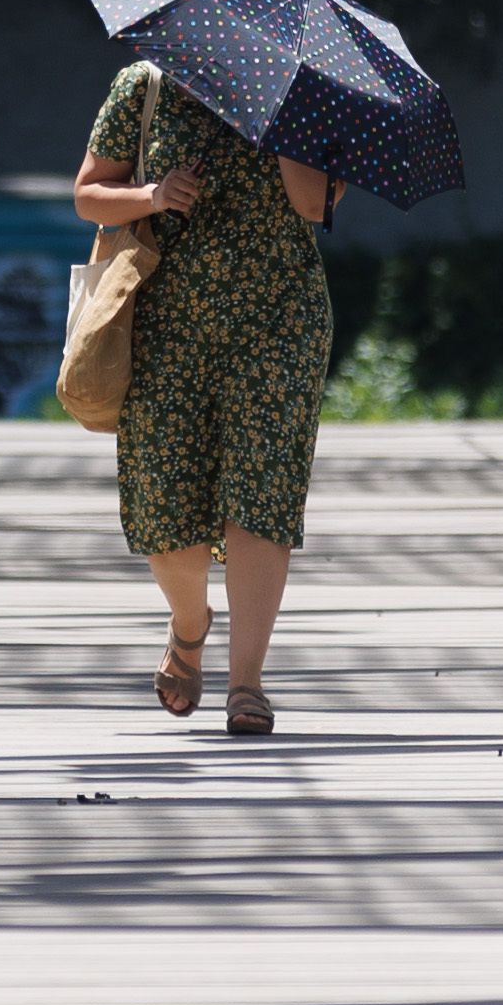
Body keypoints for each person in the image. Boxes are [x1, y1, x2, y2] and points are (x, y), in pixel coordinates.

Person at [73, 59, 341, 735]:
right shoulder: (144, 85)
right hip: (164, 323)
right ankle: (189, 625)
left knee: (263, 493)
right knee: (167, 514)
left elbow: (315, 204)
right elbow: (88, 195)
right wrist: (153, 196)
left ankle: (246, 682)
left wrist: (281, 115)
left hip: (279, 323)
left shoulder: (303, 92)